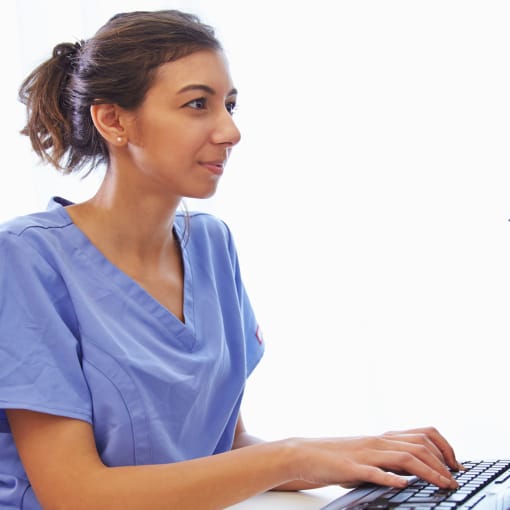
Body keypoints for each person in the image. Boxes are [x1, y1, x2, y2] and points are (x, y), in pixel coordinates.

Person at [0, 9, 462, 510]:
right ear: (113, 120)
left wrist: (353, 458)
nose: (230, 131)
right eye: (197, 104)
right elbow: (75, 493)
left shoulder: (211, 245)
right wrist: (292, 456)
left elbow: (224, 447)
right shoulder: (27, 259)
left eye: (231, 105)